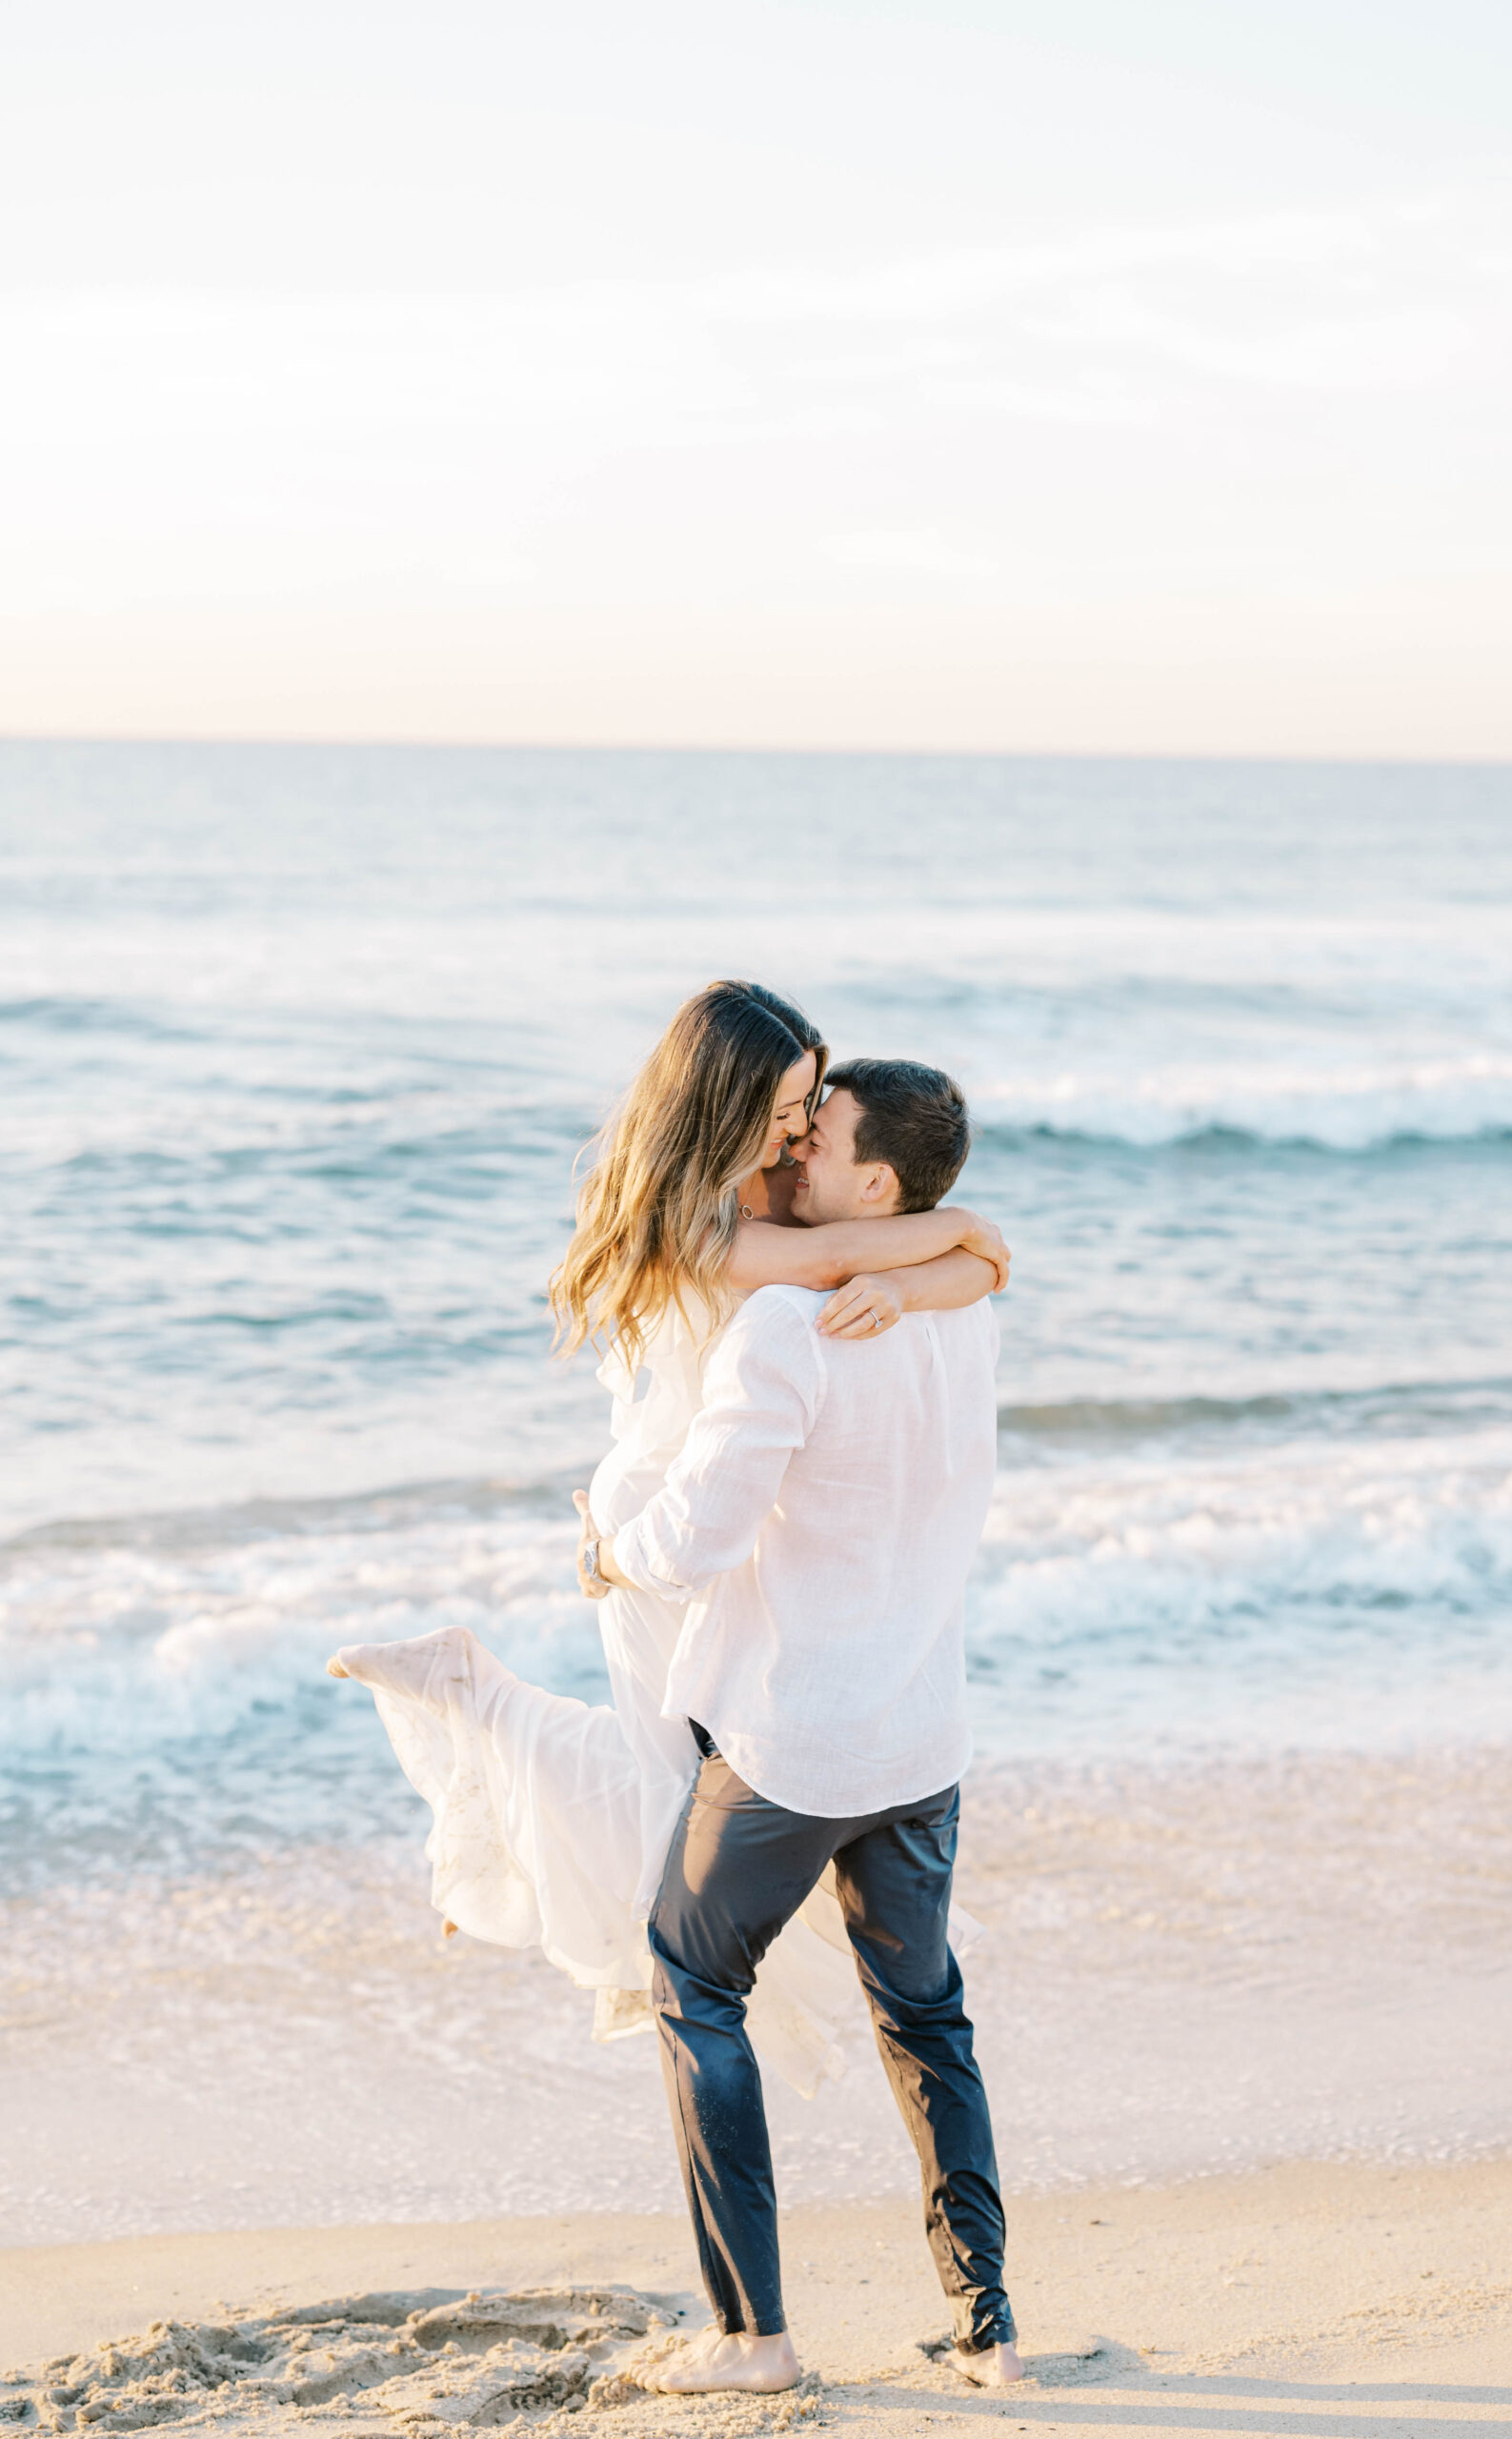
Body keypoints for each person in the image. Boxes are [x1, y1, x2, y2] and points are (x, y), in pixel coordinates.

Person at [327, 983, 1007, 2090]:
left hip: (728, 1507)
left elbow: (929, 1267)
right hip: (664, 1518)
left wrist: (947, 1263)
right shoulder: (679, 1218)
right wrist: (963, 1235)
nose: (797, 1135)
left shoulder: (762, 1192)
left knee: (691, 1794)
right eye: (786, 1110)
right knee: (675, 1800)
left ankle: (511, 1771)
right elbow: (834, 1262)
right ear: (729, 1096)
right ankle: (479, 1716)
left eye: (807, 1114)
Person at [574, 1059, 1022, 2396]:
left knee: (692, 1981)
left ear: (871, 1186)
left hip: (790, 1747)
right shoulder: (959, 1314)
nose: (789, 1156)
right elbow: (978, 1262)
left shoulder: (782, 1323)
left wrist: (608, 1548)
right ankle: (988, 2329)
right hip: (919, 1736)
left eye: (813, 1140)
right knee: (926, 2017)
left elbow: (697, 1537)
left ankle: (752, 2337)